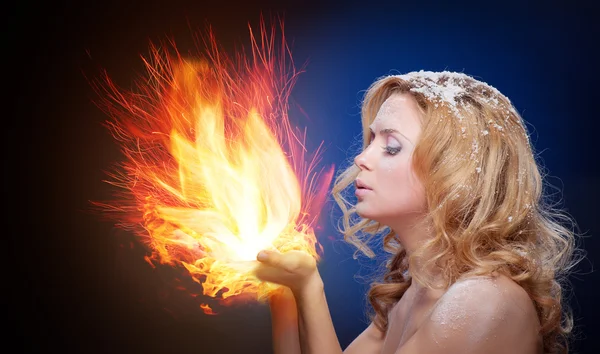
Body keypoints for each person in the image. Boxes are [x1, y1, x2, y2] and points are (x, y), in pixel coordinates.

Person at [253, 70, 580, 354]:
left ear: (454, 173)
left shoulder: (484, 301)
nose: (362, 159)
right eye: (370, 141)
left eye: (391, 147)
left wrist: (310, 286)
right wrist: (284, 292)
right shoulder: (413, 297)